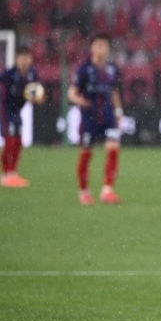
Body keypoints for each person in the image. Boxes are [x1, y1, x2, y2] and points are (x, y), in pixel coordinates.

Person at [68, 33, 124, 205]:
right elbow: (72, 93)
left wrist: (119, 112)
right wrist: (81, 101)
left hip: (108, 115)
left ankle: (107, 190)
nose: (101, 49)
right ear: (92, 48)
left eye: (104, 46)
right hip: (90, 117)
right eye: (98, 45)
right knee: (87, 153)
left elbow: (114, 91)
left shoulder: (112, 68)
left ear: (108, 49)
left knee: (113, 148)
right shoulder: (84, 69)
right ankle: (84, 192)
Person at [0, 46, 44, 187]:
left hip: (17, 111)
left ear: (30, 59)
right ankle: (7, 174)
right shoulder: (9, 74)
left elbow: (37, 94)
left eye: (26, 58)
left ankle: (12, 173)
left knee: (18, 141)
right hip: (5, 111)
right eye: (21, 58)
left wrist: (38, 98)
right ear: (17, 59)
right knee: (11, 140)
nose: (24, 61)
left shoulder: (32, 74)